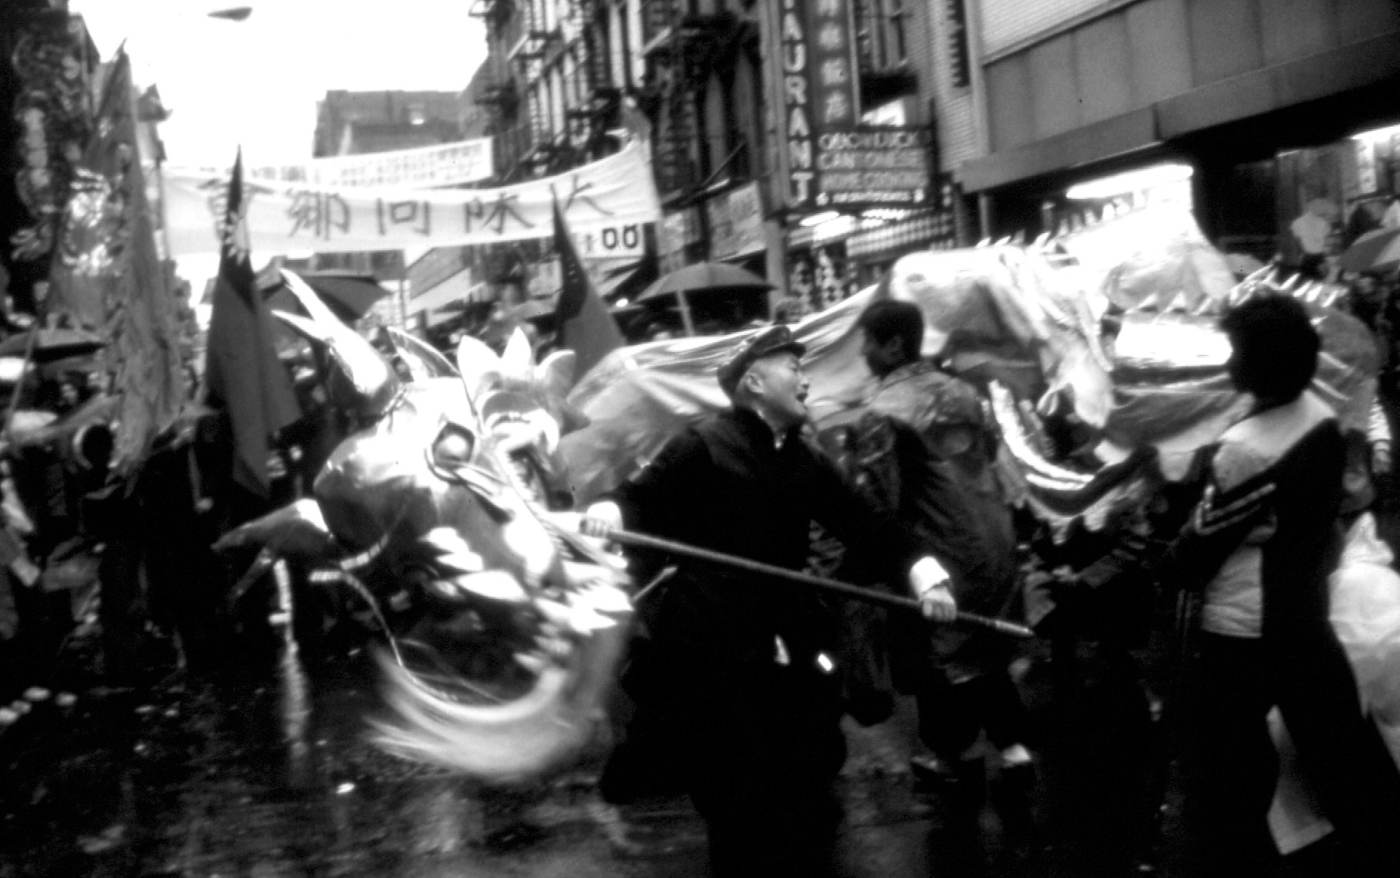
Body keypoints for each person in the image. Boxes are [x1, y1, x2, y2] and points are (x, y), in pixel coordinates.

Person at [584, 324, 956, 876]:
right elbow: (641, 498)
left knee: (807, 778)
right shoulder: (703, 443)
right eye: (793, 368)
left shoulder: (802, 458)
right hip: (716, 641)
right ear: (755, 381)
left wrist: (923, 569)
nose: (805, 380)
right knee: (738, 798)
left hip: (791, 631)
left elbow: (864, 524)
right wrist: (612, 511)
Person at [1160, 294, 1400, 875]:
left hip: (1241, 628)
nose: (1229, 363)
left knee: (1232, 768)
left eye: (1237, 351)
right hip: (1305, 608)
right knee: (1342, 748)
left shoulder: (1245, 448)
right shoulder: (1320, 417)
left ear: (1256, 364)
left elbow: (1196, 550)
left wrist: (1173, 551)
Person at [853, 300, 1033, 821]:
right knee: (986, 652)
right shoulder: (965, 393)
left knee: (944, 660)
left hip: (940, 554)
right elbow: (995, 461)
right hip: (993, 543)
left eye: (868, 341)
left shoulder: (883, 412)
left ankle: (956, 760)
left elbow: (877, 505)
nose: (863, 352)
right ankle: (1015, 753)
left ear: (893, 345)